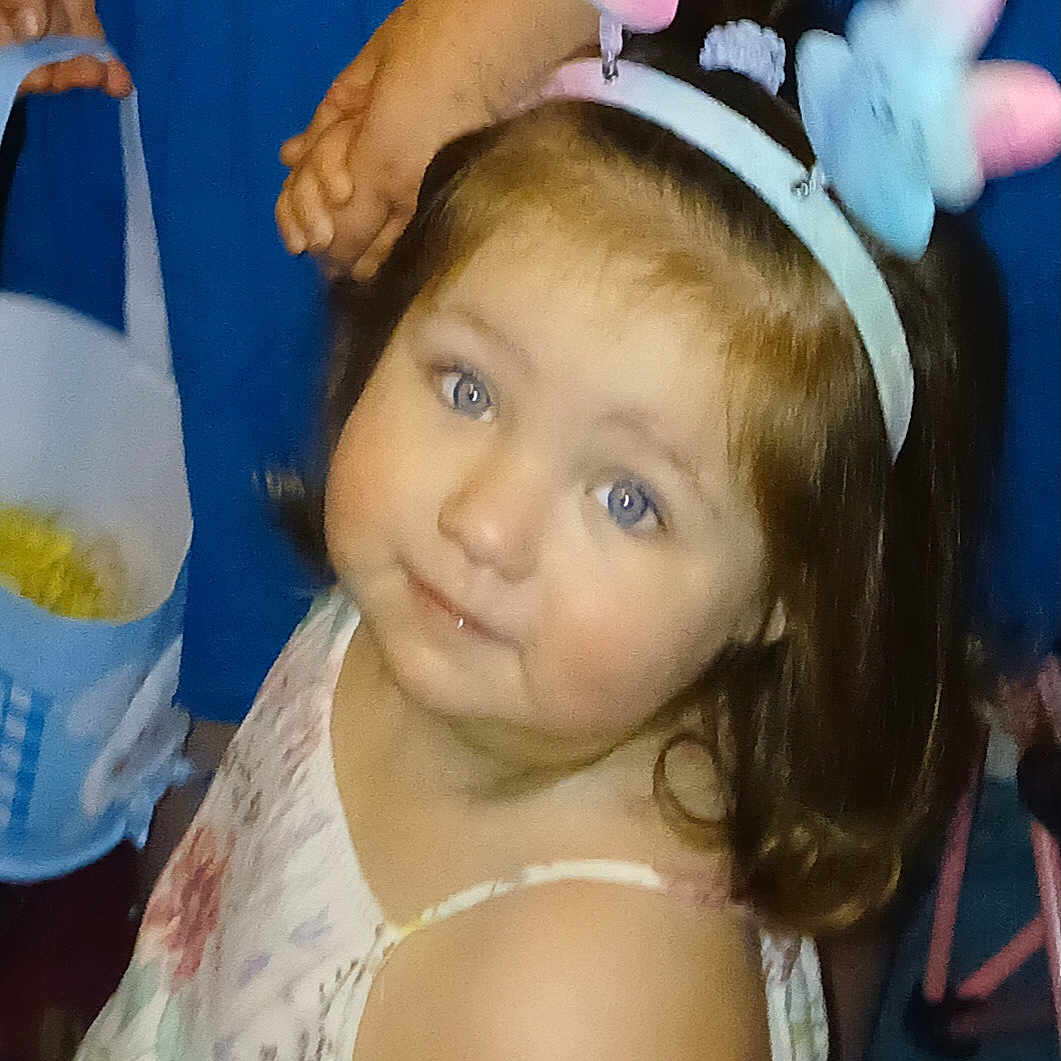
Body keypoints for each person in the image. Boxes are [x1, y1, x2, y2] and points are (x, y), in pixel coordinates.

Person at [71, 0, 1057, 1053]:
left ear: (788, 588)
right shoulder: (444, 618)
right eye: (466, 387)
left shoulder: (587, 1009)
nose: (482, 522)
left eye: (628, 499)